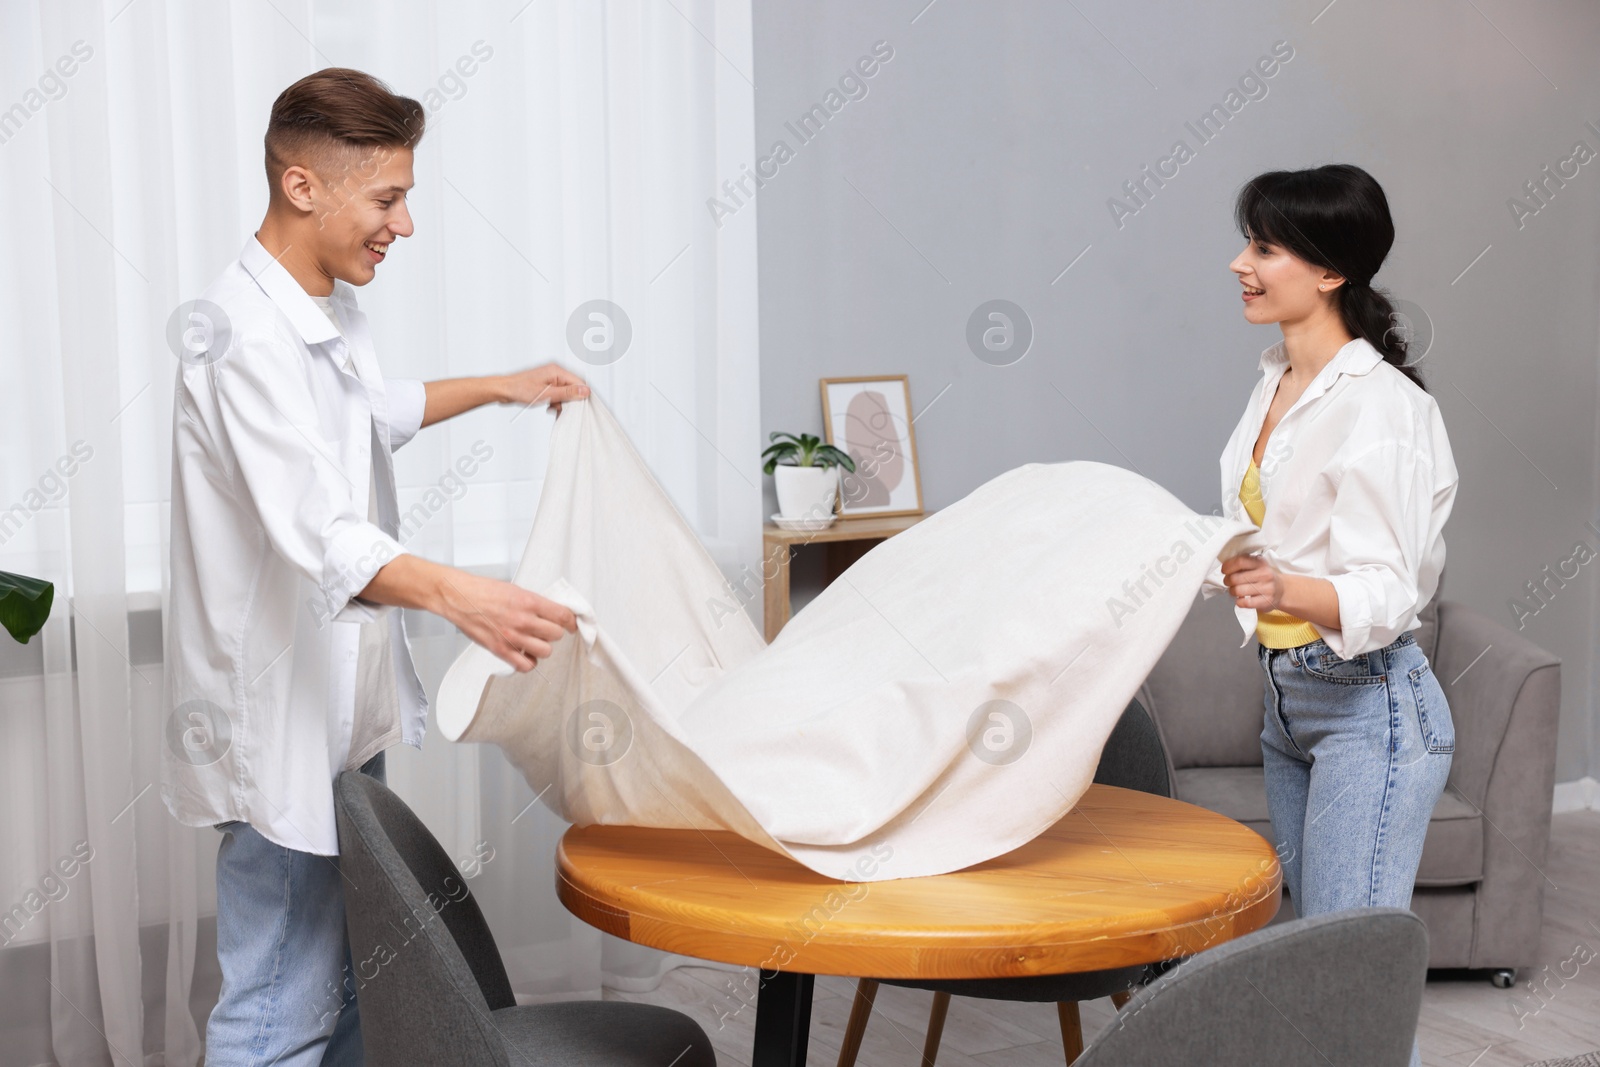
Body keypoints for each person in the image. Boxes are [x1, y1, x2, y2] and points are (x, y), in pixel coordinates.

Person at [161, 68, 588, 1065]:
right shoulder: (237, 336)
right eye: (387, 198)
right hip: (277, 720)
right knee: (277, 1006)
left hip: (337, 707)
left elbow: (367, 411)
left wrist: (498, 387)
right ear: (303, 186)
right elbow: (319, 528)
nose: (403, 224)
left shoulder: (319, 307)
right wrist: (467, 597)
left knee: (353, 980)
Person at [1212, 164, 1457, 1067]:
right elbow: (1266, 537)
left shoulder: (1384, 408)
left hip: (1371, 710)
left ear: (1326, 271)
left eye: (1263, 247)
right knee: (1319, 967)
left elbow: (1388, 592)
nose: (1240, 263)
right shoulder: (1274, 382)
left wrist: (1284, 589)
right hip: (1289, 703)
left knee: (1349, 982)